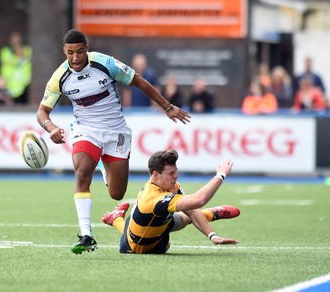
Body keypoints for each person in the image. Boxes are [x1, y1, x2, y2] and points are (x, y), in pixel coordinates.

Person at [36, 29, 191, 254]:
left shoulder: (105, 64)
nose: (76, 58)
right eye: (70, 53)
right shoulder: (59, 77)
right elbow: (42, 112)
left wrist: (167, 107)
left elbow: (138, 81)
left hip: (115, 131)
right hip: (85, 130)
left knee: (116, 193)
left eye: (80, 51)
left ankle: (102, 167)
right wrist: (50, 128)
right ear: (64, 52)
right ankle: (86, 235)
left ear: (86, 48)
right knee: (81, 173)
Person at [102, 149, 239, 254]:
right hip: (140, 247)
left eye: (176, 171)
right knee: (168, 241)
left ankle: (115, 217)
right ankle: (115, 219)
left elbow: (191, 209)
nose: (176, 176)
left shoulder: (171, 186)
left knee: (185, 217)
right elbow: (199, 200)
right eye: (171, 173)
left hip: (152, 222)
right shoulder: (153, 199)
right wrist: (221, 175)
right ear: (155, 174)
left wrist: (212, 236)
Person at [0, 31, 32, 104]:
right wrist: (18, 57)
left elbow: (27, 57)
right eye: (14, 41)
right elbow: (8, 61)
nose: (16, 43)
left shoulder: (27, 50)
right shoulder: (5, 51)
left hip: (24, 84)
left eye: (18, 41)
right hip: (8, 83)